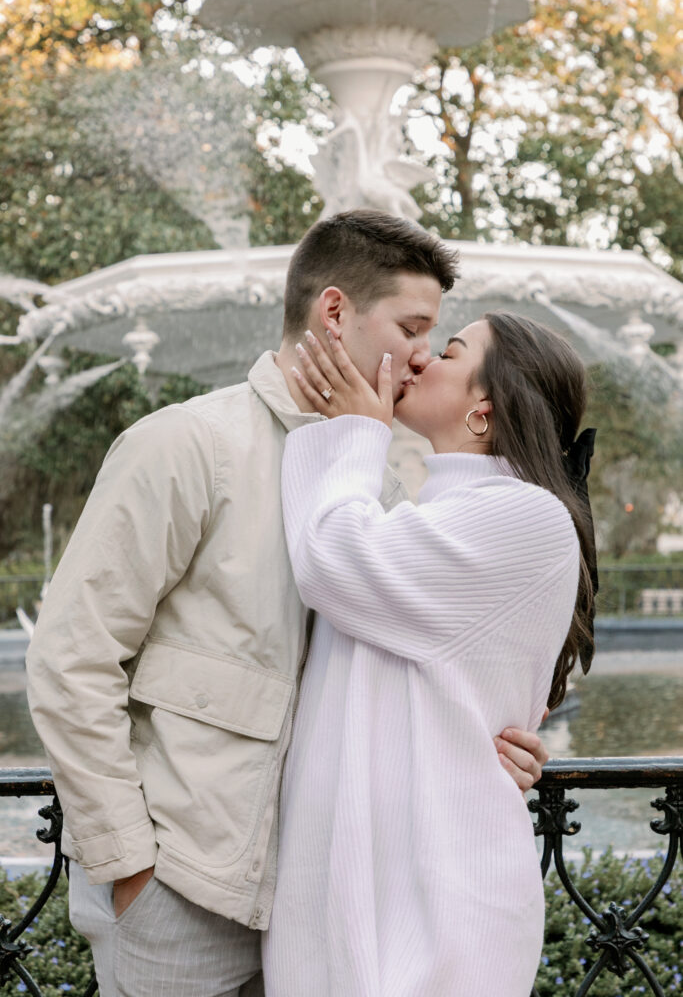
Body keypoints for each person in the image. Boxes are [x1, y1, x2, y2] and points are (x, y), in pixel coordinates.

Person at [26, 211, 550, 997]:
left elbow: (403, 682)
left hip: (326, 912)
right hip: (185, 898)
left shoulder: (370, 479)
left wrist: (481, 746)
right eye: (412, 326)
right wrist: (130, 866)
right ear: (334, 313)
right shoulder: (185, 445)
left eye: (435, 337)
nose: (420, 354)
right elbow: (71, 660)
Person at [262, 311, 596, 996]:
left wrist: (355, 431)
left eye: (446, 350)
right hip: (379, 884)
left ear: (484, 410)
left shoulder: (525, 518)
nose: (416, 360)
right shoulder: (435, 515)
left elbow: (330, 561)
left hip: (440, 901)